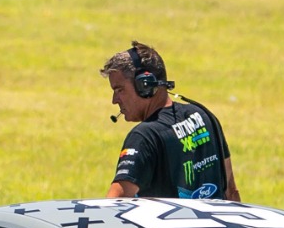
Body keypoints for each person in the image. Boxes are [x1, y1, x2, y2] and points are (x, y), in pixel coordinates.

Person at [102, 41, 240, 200]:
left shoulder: (144, 137)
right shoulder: (204, 116)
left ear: (144, 85)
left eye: (119, 90)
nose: (115, 100)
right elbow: (231, 191)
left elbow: (114, 204)